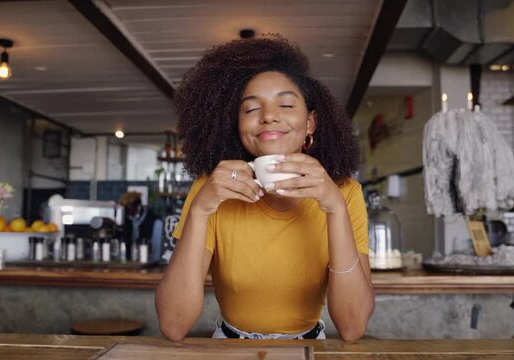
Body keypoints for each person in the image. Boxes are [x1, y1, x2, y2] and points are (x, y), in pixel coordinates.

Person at [156, 35, 374, 341]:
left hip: (308, 349)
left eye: (285, 104)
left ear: (310, 123)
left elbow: (352, 328)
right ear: (237, 126)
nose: (269, 115)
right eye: (250, 109)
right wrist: (201, 209)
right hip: (230, 349)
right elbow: (173, 325)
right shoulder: (211, 189)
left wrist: (334, 206)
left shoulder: (344, 192)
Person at [118, 191, 163, 262]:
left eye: (129, 209)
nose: (127, 213)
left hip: (149, 264)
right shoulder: (127, 220)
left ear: (138, 206)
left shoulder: (155, 222)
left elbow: (156, 252)